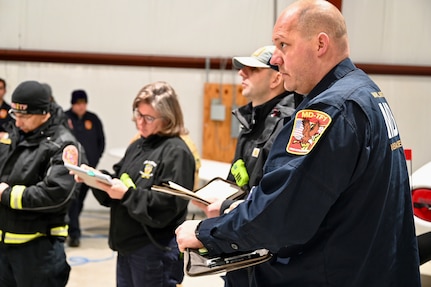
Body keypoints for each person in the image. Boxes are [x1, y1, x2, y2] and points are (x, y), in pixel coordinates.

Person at [175, 1, 421, 286]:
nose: (276, 59)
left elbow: (281, 217)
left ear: (320, 44)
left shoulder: (329, 110)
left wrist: (206, 232)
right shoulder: (365, 91)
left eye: (283, 45)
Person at [193, 45, 302, 286]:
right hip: (241, 249)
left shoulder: (290, 124)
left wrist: (227, 207)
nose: (241, 74)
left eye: (252, 69)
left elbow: (277, 200)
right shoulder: (251, 120)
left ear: (276, 77)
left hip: (269, 261)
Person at [72, 81, 195, 287]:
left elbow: (168, 205)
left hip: (154, 250)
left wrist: (127, 195)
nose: (140, 122)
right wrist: (95, 179)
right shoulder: (138, 145)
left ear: (168, 118)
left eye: (149, 118)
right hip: (128, 246)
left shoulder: (176, 152)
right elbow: (118, 180)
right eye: (138, 115)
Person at [0, 80, 82, 286]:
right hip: (4, 249)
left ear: (43, 112)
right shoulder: (13, 135)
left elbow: (57, 194)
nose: (18, 122)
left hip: (38, 252)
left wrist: (6, 195)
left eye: (24, 116)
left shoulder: (63, 144)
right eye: (14, 114)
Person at [65, 89, 105, 247]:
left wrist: (95, 158)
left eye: (83, 103)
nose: (81, 107)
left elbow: (101, 141)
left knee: (79, 201)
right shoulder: (65, 118)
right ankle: (74, 233)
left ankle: (72, 227)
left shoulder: (93, 119)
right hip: (71, 170)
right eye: (78, 104)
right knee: (72, 202)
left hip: (88, 169)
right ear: (73, 104)